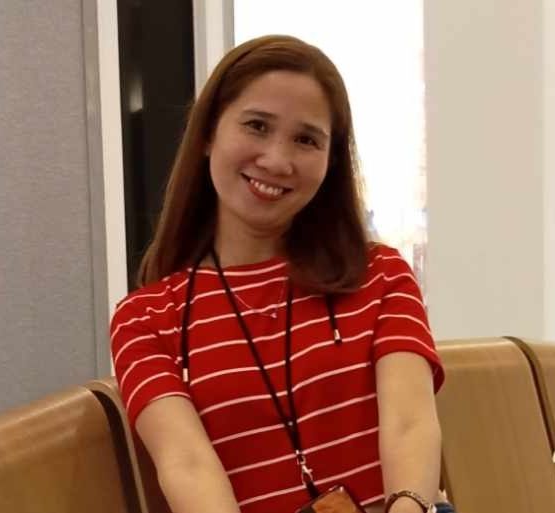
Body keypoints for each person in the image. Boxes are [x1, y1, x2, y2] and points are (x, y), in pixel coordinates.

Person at [110, 35, 453, 513]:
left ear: (331, 160)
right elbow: (186, 464)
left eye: (306, 139)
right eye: (257, 126)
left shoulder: (381, 275)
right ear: (208, 133)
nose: (276, 160)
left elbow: (409, 424)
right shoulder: (145, 320)